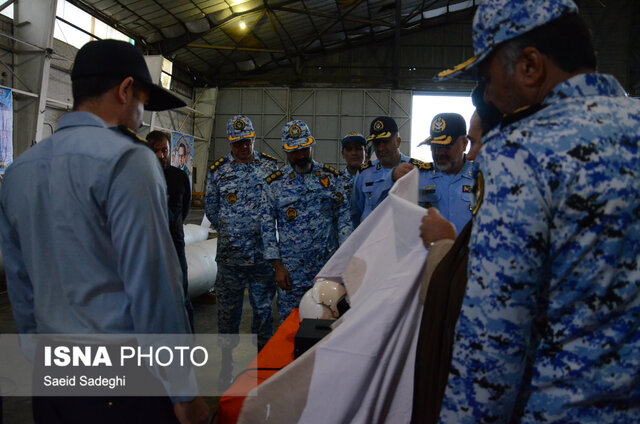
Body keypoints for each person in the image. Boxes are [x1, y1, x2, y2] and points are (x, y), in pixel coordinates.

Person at [435, 1, 640, 422]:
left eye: (486, 78)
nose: (488, 96)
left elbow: (491, 346)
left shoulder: (521, 152)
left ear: (530, 66)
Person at [0, 39, 208, 423]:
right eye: (143, 102)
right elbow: (153, 284)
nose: (143, 118)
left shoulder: (19, 172)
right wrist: (182, 388)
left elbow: (20, 283)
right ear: (125, 90)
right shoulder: (130, 161)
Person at [205, 115, 278, 385]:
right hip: (230, 258)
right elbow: (212, 209)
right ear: (230, 142)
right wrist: (233, 227)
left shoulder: (270, 167)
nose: (243, 147)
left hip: (261, 258)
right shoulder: (218, 170)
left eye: (247, 141)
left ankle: (262, 367)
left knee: (263, 314)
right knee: (227, 315)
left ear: (253, 138)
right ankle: (227, 365)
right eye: (238, 143)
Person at [261, 120, 353, 322]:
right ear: (285, 151)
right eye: (294, 151)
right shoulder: (274, 185)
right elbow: (267, 228)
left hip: (327, 270)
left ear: (311, 145)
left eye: (304, 149)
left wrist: (343, 261)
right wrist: (277, 266)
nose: (301, 155)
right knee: (290, 327)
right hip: (291, 274)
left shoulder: (331, 179)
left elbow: (344, 219)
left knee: (329, 322)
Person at [147, 130, 194, 331]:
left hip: (174, 248)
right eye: (155, 151)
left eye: (164, 150)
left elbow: (184, 210)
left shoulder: (180, 177)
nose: (160, 155)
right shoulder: (139, 178)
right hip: (147, 250)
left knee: (181, 298)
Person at [351, 116, 432, 226]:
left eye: (385, 142)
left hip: (404, 239)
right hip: (372, 239)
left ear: (398, 141)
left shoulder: (418, 170)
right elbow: (356, 212)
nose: (380, 148)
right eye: (376, 143)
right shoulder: (364, 173)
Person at [417, 113, 473, 234]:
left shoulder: (481, 177)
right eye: (434, 146)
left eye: (446, 146)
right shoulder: (420, 177)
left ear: (464, 144)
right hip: (432, 252)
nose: (439, 152)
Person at [339, 132, 367, 199]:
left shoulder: (374, 178)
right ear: (343, 154)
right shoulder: (336, 180)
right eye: (349, 149)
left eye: (358, 148)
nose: (354, 153)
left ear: (365, 152)